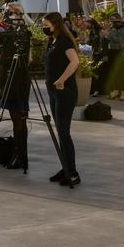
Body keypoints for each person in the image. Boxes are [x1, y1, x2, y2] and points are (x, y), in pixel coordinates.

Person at [44, 12, 81, 186]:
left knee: (64, 132)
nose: (44, 27)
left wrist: (61, 80)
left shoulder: (64, 41)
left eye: (47, 25)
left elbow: (74, 62)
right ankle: (65, 167)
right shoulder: (53, 41)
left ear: (55, 24)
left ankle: (72, 172)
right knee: (59, 131)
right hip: (54, 92)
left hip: (64, 92)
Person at [0, 5, 32, 170]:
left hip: (17, 81)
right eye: (7, 13)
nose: (8, 17)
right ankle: (18, 154)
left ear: (19, 15)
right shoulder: (8, 32)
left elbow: (19, 56)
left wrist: (3, 57)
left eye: (11, 13)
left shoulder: (23, 33)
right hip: (7, 79)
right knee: (15, 118)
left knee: (19, 119)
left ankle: (20, 155)